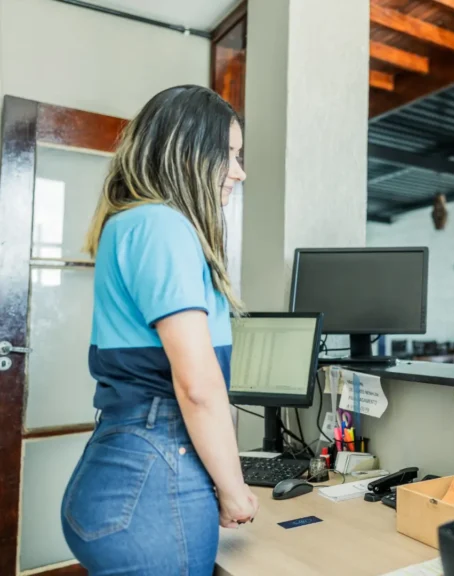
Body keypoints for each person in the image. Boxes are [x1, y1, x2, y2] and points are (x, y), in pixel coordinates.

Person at [62, 85, 258, 574]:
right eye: (229, 154)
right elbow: (197, 388)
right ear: (188, 152)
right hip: (153, 475)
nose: (239, 171)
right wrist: (234, 490)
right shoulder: (162, 226)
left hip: (124, 470)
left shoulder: (131, 222)